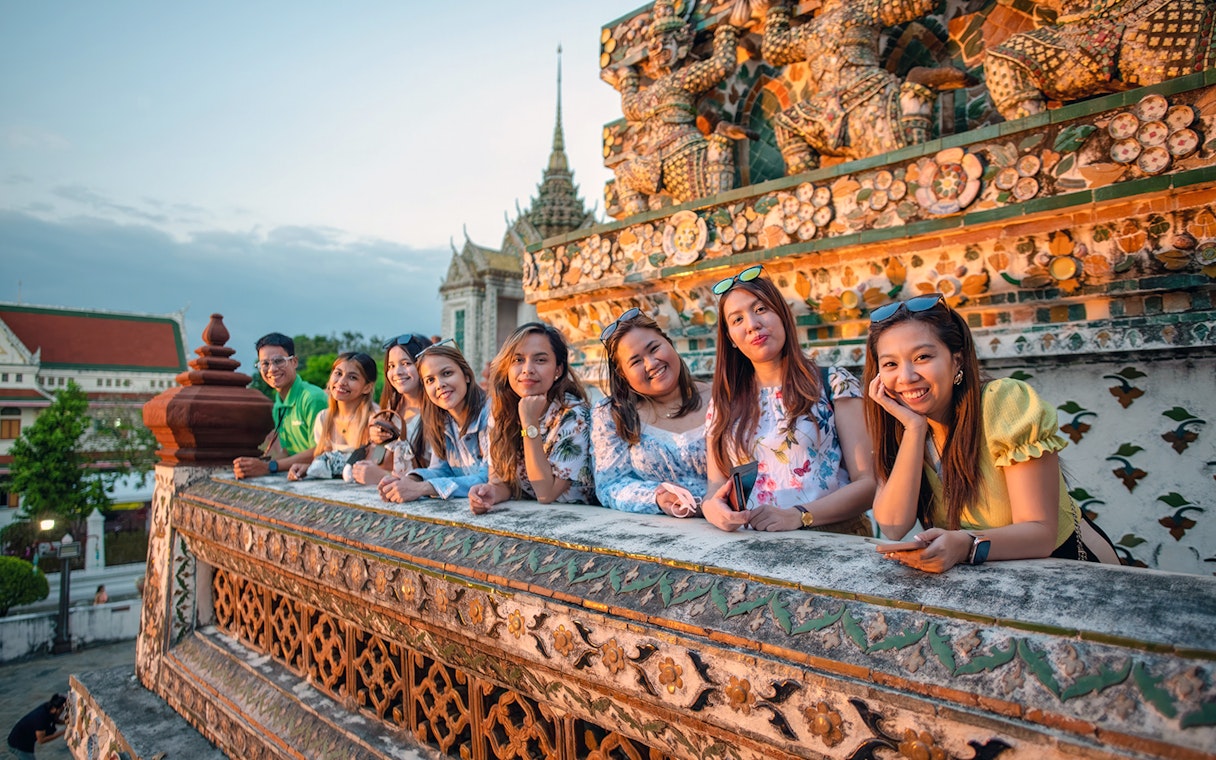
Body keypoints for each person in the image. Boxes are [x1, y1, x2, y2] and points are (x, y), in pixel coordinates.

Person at [864, 294, 1121, 571]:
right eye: (890, 364)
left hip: (1071, 570)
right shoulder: (902, 426)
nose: (906, 376)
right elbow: (892, 525)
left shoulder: (1003, 402)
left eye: (923, 357)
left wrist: (965, 544)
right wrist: (914, 430)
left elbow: (1040, 534)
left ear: (957, 360)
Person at [703, 265, 876, 532]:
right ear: (731, 339)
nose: (752, 325)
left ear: (782, 315)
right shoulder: (724, 403)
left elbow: (867, 483)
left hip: (832, 541)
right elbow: (716, 485)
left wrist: (799, 515)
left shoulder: (834, 384)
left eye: (761, 309)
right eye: (737, 320)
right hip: (754, 550)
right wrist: (712, 508)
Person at [591, 308, 710, 515]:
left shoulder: (720, 396)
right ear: (623, 374)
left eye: (654, 348)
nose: (651, 363)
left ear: (669, 344)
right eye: (636, 361)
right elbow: (609, 486)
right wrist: (657, 497)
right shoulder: (613, 415)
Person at [468, 323, 594, 513]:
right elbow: (503, 482)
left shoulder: (574, 415)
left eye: (540, 360)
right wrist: (491, 493)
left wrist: (529, 423)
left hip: (576, 519)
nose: (527, 369)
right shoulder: (501, 411)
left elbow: (546, 493)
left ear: (558, 370)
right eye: (518, 360)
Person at [379, 341, 489, 502]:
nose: (440, 385)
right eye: (430, 380)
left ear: (466, 375)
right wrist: (410, 481)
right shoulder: (440, 419)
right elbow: (440, 469)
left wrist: (424, 488)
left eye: (447, 373)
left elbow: (490, 478)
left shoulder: (490, 413)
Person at [233, 333, 327, 479]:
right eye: (265, 364)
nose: (272, 369)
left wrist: (270, 467)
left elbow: (321, 451)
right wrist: (254, 465)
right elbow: (289, 450)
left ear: (294, 362)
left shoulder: (312, 398)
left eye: (278, 361)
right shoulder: (279, 404)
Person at [350, 333, 431, 486]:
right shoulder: (392, 405)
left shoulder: (437, 412)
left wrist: (383, 476)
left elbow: (438, 471)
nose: (397, 372)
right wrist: (376, 436)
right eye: (391, 366)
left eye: (406, 363)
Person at [287, 352, 378, 480]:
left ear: (367, 387)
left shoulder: (375, 420)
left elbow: (379, 467)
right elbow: (329, 462)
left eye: (352, 378)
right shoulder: (323, 418)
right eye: (338, 373)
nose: (341, 382)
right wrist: (309, 468)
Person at [6, 693, 66, 759]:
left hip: (24, 741)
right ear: (55, 709)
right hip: (18, 745)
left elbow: (54, 719)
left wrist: (65, 722)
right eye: (61, 710)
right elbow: (41, 740)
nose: (62, 712)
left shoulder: (48, 707)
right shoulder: (41, 718)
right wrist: (62, 733)